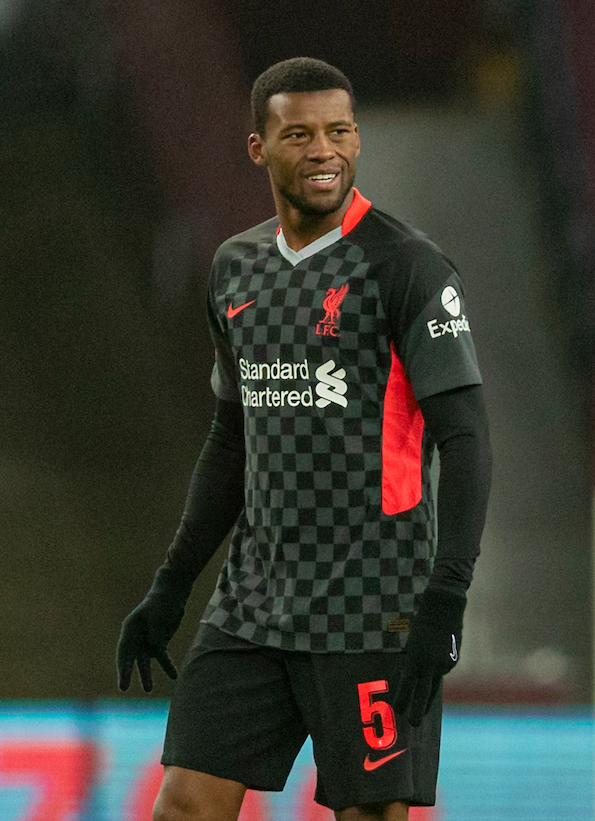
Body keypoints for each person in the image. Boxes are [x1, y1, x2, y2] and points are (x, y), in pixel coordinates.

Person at [116, 57, 492, 821]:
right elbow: (231, 440)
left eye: (340, 131)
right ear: (259, 147)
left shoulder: (407, 267)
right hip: (254, 602)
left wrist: (446, 594)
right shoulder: (235, 268)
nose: (324, 150)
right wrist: (172, 586)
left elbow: (468, 436)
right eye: (299, 134)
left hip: (374, 606)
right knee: (184, 804)